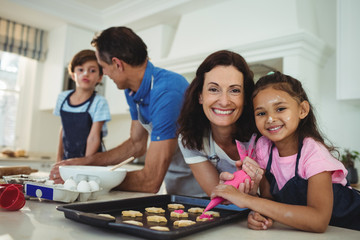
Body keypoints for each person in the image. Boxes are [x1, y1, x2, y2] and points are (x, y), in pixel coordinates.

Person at [50, 26, 204, 196]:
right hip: (176, 186)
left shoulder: (167, 92)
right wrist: (85, 163)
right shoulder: (131, 90)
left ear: (117, 64)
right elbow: (136, 144)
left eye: (103, 67)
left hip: (204, 191)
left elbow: (150, 181)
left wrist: (86, 178)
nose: (105, 73)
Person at [211, 71, 360, 232]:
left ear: (302, 110)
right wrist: (261, 215)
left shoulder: (313, 153)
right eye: (261, 113)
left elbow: (318, 221)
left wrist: (247, 200)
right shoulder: (263, 148)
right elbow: (270, 201)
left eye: (280, 109)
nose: (270, 119)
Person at [177, 50, 262, 197]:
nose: (224, 101)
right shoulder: (191, 139)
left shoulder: (263, 135)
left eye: (234, 90)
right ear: (200, 96)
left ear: (245, 98)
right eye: (214, 89)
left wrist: (254, 194)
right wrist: (226, 190)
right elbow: (220, 197)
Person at [53, 49, 111, 162]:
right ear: (73, 75)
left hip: (91, 161)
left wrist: (84, 163)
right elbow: (63, 130)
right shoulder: (62, 98)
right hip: (68, 160)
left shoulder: (99, 102)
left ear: (100, 77)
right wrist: (59, 159)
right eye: (80, 70)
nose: (86, 74)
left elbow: (94, 138)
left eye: (92, 70)